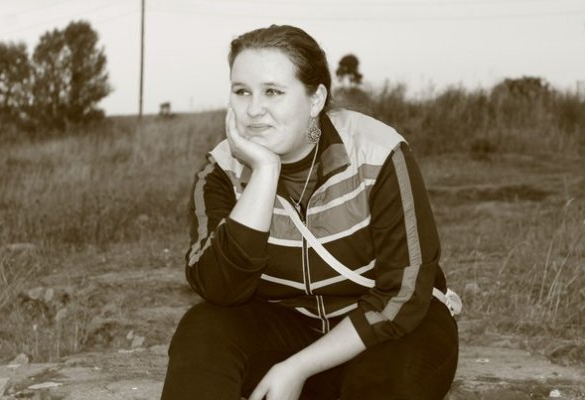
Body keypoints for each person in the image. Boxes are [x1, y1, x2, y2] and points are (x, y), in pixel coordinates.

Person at [161, 24, 459, 400]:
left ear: (315, 99)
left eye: (272, 92)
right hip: (286, 327)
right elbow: (219, 288)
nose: (253, 110)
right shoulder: (220, 171)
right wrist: (264, 172)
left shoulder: (378, 152)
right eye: (241, 91)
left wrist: (297, 368)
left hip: (379, 336)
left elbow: (404, 292)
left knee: (396, 369)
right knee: (202, 328)